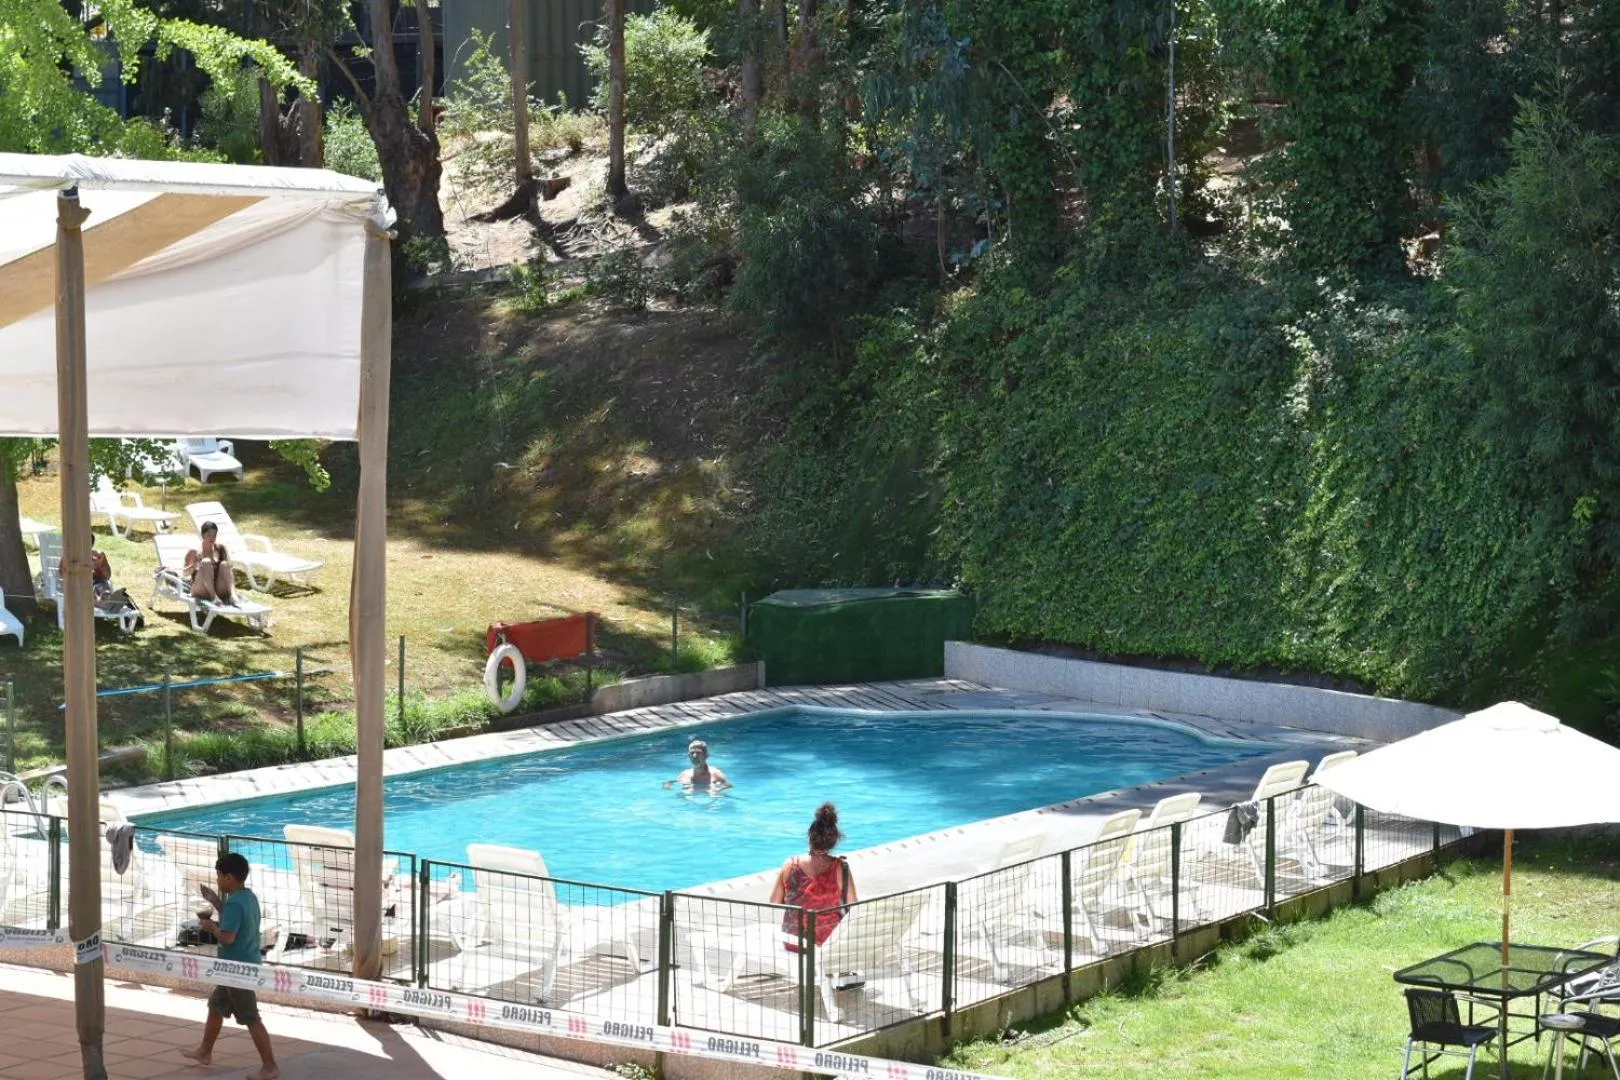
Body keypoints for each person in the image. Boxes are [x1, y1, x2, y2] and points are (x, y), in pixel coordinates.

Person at [182, 852, 278, 1080]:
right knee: (216, 1006)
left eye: (219, 875)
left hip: (237, 969)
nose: (217, 879)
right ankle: (205, 1051)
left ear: (229, 877)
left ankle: (270, 1066)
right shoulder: (248, 897)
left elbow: (228, 937)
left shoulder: (234, 903)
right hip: (241, 964)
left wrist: (211, 927)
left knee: (250, 1017)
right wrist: (216, 902)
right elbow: (236, 921)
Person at [770, 802, 857, 951]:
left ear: (810, 837)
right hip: (827, 944)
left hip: (793, 942)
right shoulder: (841, 868)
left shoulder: (790, 864)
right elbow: (853, 906)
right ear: (834, 841)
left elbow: (774, 902)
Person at [185, 520, 235, 603]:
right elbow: (184, 574)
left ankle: (233, 595)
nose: (212, 538)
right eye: (208, 535)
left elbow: (229, 570)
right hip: (200, 588)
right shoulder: (194, 551)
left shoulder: (221, 548)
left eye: (214, 535)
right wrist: (192, 568)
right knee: (206, 562)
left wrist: (230, 569)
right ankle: (213, 596)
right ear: (202, 535)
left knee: (225, 564)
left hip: (218, 588)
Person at [663, 738, 732, 791]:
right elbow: (671, 784)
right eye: (692, 753)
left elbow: (728, 787)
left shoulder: (716, 774)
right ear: (689, 756)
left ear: (706, 756)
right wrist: (667, 785)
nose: (694, 756)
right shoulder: (684, 774)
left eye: (698, 753)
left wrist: (718, 789)